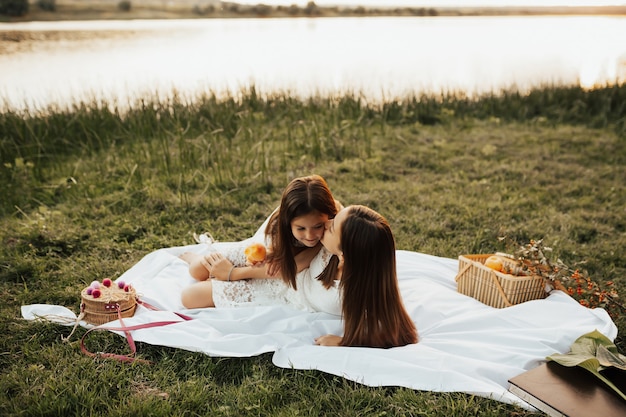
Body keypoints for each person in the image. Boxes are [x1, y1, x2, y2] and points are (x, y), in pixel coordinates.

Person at [180, 174, 343, 311]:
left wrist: (232, 274)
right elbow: (270, 258)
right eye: (301, 228)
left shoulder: (334, 226)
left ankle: (217, 281)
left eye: (318, 226)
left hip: (282, 278)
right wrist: (265, 257)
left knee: (190, 297)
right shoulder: (278, 226)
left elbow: (291, 267)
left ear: (329, 219)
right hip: (267, 262)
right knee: (197, 269)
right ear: (288, 223)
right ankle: (195, 259)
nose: (310, 235)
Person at [314, 205, 418, 348]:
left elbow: (398, 335)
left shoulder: (351, 293)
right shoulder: (319, 239)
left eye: (331, 229)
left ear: (343, 256)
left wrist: (344, 342)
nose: (325, 222)